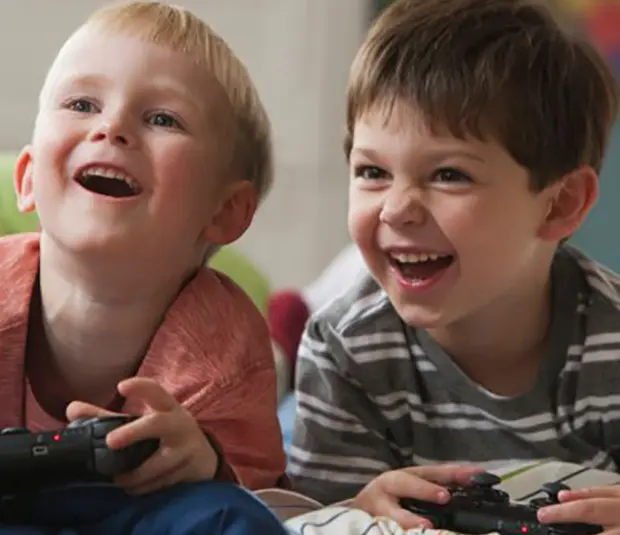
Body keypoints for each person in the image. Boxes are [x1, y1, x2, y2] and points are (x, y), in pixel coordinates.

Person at [289, 0, 620, 531]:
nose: (397, 208)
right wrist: (359, 504)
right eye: (372, 171)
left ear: (559, 205)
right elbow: (315, 519)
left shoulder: (611, 340)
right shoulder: (344, 348)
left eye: (448, 175)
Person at [0, 1, 288, 532]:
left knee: (232, 516)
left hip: (138, 515)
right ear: (28, 178)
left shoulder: (223, 346)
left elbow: (269, 501)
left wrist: (205, 460)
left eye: (162, 119)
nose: (112, 127)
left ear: (223, 211)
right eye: (82, 103)